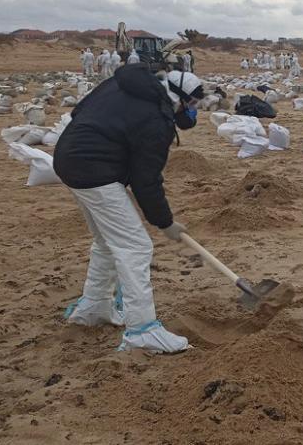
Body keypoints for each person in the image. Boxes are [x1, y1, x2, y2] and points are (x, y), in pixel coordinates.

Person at [53, 62, 205, 354]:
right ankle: (141, 330)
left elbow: (79, 113)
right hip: (94, 172)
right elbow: (146, 179)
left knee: (107, 242)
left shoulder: (122, 84)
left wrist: (113, 164)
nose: (193, 111)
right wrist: (165, 223)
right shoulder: (157, 120)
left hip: (68, 158)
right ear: (182, 98)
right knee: (135, 246)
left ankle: (94, 307)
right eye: (194, 104)